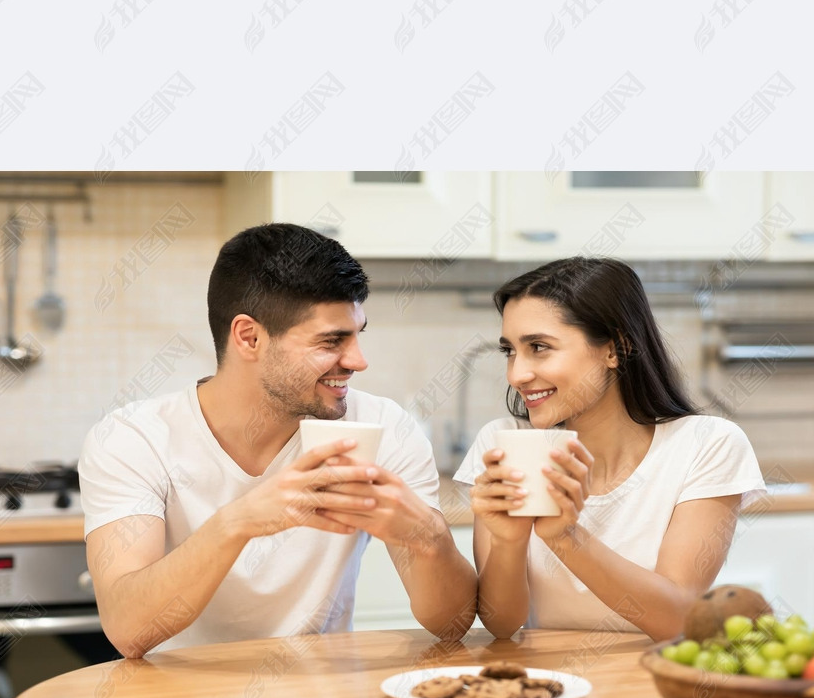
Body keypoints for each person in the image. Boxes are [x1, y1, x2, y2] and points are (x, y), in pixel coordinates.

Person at [79, 223, 476, 655]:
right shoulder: (135, 439)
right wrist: (239, 522)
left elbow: (451, 625)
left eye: (358, 333)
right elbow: (128, 629)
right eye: (331, 341)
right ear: (249, 337)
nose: (359, 361)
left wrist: (429, 537)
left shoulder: (384, 428)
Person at [454, 259, 765, 641]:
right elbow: (501, 624)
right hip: (547, 684)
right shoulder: (504, 441)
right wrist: (509, 541)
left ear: (616, 348)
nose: (517, 374)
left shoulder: (707, 445)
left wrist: (566, 538)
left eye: (539, 347)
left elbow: (679, 620)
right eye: (510, 351)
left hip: (652, 682)